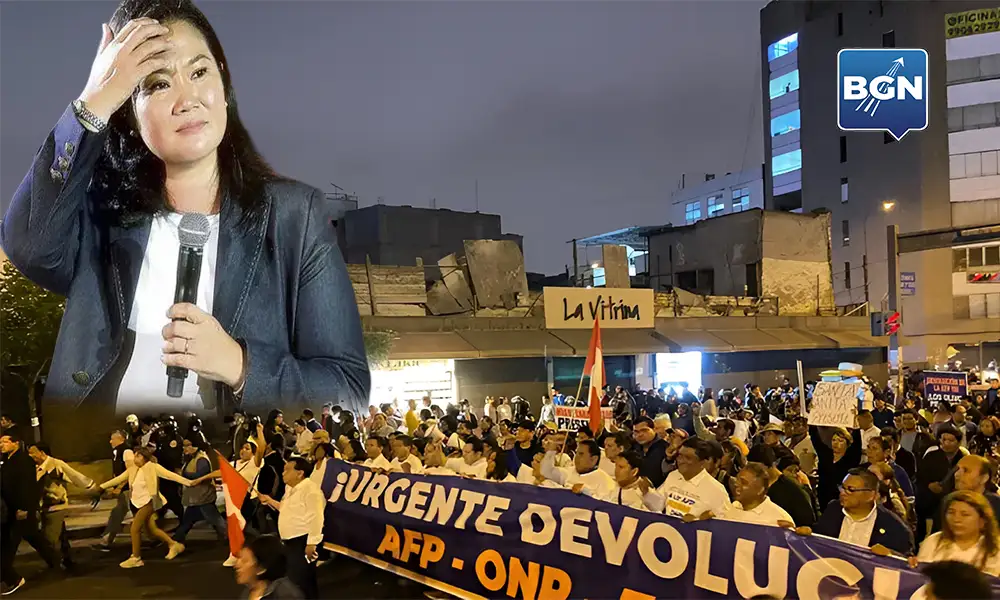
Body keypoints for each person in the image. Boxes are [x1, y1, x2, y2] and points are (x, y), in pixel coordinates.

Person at [0, 0, 370, 459]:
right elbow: (28, 245)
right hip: (101, 464)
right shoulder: (100, 216)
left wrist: (239, 364)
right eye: (157, 83)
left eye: (198, 72)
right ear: (129, 112)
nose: (186, 99)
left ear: (223, 82)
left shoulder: (294, 216)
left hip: (233, 472)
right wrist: (94, 101)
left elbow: (348, 390)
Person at [98, 447, 192, 568]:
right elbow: (119, 479)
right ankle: (174, 545)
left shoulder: (153, 467)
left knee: (134, 528)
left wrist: (190, 482)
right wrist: (101, 487)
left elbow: (171, 476)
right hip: (137, 502)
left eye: (138, 456)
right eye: (135, 456)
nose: (135, 458)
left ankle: (136, 557)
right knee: (152, 529)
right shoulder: (133, 469)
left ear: (144, 457)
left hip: (149, 501)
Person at [1, 433, 60, 595]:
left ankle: (11, 577)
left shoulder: (23, 461)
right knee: (32, 536)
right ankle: (55, 560)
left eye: (5, 441)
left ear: (16, 443)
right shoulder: (7, 460)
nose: (2, 445)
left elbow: (27, 486)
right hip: (10, 508)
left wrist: (24, 508)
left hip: (20, 509)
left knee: (9, 544)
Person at [807, 468, 914, 556]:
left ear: (871, 495)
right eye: (842, 487)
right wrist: (807, 534)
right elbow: (818, 537)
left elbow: (905, 561)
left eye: (851, 489)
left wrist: (890, 554)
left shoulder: (893, 526)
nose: (843, 493)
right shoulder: (833, 510)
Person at [258, 458, 325, 599]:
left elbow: (316, 517)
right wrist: (269, 501)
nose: (283, 473)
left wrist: (312, 543)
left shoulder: (311, 490)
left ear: (300, 473)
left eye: (287, 470)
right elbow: (285, 508)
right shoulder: (290, 489)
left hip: (302, 541)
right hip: (289, 541)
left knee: (301, 579)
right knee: (300, 579)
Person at [912, 491, 1000, 577]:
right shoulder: (933, 541)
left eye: (965, 514)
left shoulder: (996, 547)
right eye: (951, 513)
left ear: (982, 521)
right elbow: (921, 577)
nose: (956, 519)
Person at [235, 534, 304, 600]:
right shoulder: (246, 593)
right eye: (239, 558)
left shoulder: (285, 594)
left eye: (244, 561)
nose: (237, 565)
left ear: (261, 568)